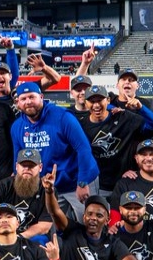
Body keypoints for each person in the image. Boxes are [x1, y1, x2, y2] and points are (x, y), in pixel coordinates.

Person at [11, 82, 99, 222]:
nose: (28, 102)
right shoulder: (17, 126)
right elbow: (18, 159)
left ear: (41, 97)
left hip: (77, 179)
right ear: (18, 103)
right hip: (51, 186)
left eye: (32, 97)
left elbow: (83, 149)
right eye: (23, 99)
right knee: (56, 226)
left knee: (88, 223)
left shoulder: (62, 117)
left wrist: (82, 182)